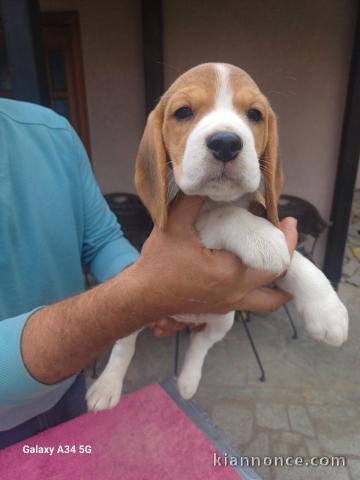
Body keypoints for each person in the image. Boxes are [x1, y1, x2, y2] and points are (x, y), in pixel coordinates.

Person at [0, 99, 297, 448]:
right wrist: (140, 297)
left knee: (70, 462)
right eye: (186, 112)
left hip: (69, 384)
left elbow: (101, 239)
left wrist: (159, 288)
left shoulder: (52, 130)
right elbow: (138, 293)